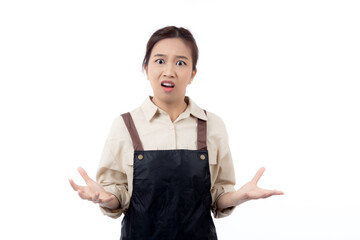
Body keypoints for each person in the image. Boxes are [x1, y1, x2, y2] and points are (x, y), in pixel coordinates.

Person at [69, 26, 283, 239]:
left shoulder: (212, 125)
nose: (169, 71)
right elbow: (117, 194)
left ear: (192, 74)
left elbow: (218, 196)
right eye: (160, 61)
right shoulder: (125, 125)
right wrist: (106, 197)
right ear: (146, 68)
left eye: (181, 62)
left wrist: (239, 196)